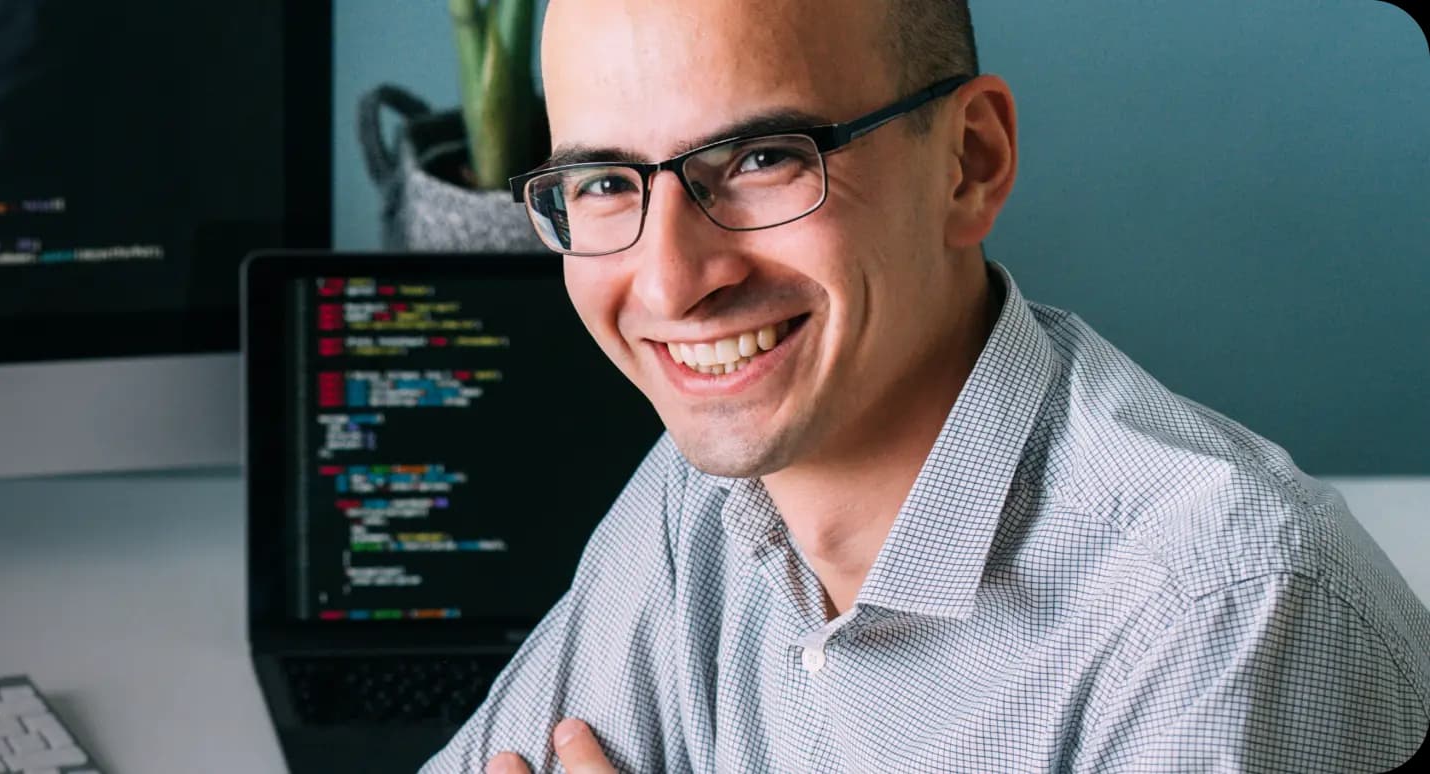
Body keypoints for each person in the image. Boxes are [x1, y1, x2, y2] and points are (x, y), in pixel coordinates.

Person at [419, 0, 1430, 771]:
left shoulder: (1224, 616)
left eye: (765, 157)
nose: (674, 281)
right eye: (602, 182)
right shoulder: (707, 493)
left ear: (969, 163)